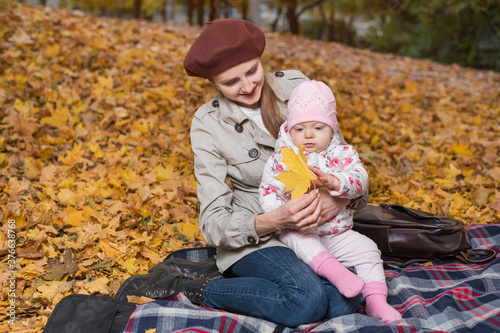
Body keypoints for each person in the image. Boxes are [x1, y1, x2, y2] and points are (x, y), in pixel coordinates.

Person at [116, 18, 368, 327]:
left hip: (316, 229)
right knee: (307, 301)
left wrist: (337, 201)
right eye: (231, 82)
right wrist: (274, 220)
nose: (247, 86)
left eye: (252, 71)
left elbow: (345, 163)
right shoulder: (208, 124)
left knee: (347, 301)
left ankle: (287, 289)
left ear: (261, 60)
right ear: (213, 83)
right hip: (257, 233)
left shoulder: (299, 89)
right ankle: (197, 288)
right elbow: (212, 222)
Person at [259, 80, 402, 323]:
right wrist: (284, 212)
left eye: (318, 127)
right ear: (289, 130)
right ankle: (336, 273)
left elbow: (360, 180)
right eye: (300, 129)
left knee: (368, 250)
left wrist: (337, 183)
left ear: (332, 129)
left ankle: (377, 301)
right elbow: (267, 191)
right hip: (301, 230)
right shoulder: (280, 160)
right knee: (297, 237)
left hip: (337, 232)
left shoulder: (344, 155)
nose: (309, 135)